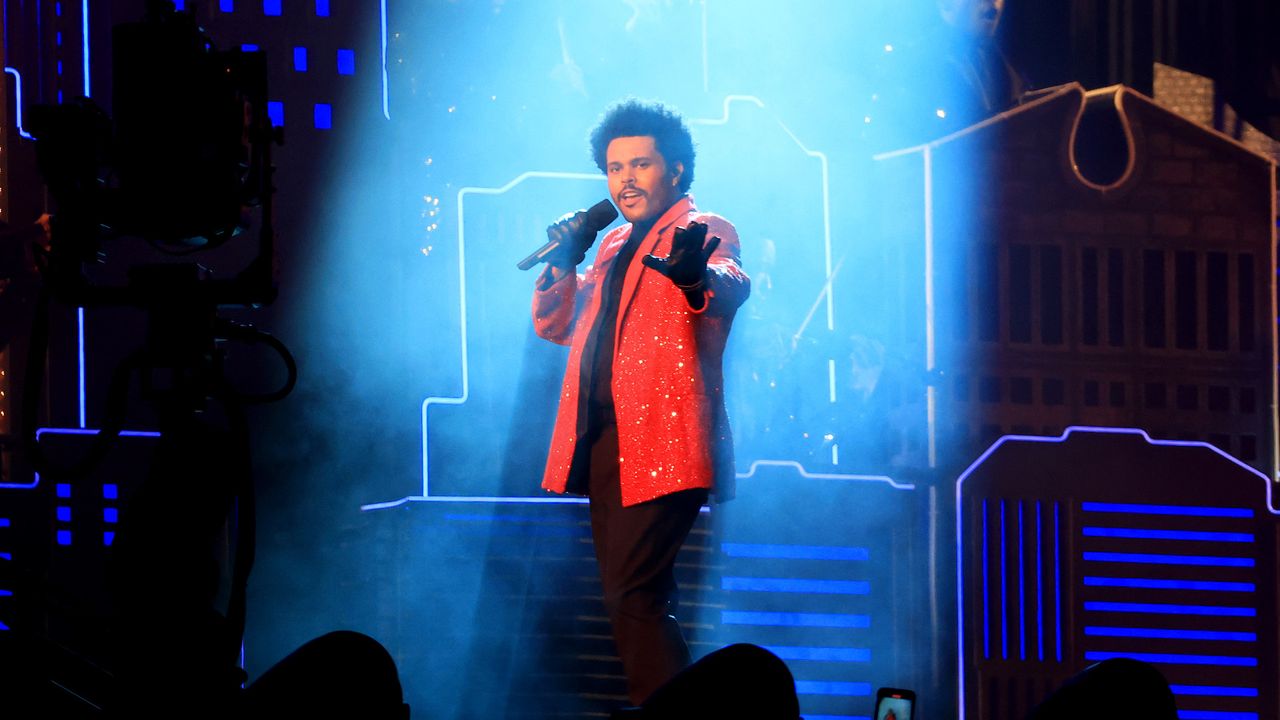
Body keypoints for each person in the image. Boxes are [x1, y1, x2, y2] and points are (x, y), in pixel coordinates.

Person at [530, 98, 749, 704]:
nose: (624, 179)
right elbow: (555, 327)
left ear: (675, 171)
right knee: (632, 600)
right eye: (613, 167)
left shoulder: (702, 232)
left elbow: (730, 284)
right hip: (604, 440)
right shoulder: (609, 246)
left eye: (640, 164)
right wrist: (563, 265)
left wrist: (694, 276)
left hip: (664, 442)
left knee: (632, 598)